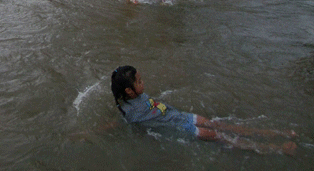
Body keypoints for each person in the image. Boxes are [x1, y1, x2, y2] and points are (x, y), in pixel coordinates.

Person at [111, 66, 297, 154]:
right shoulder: (131, 111)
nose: (143, 83)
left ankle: (271, 133)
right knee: (220, 136)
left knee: (219, 125)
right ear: (129, 90)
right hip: (179, 127)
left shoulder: (133, 96)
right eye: (140, 81)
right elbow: (120, 122)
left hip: (178, 116)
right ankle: (275, 149)